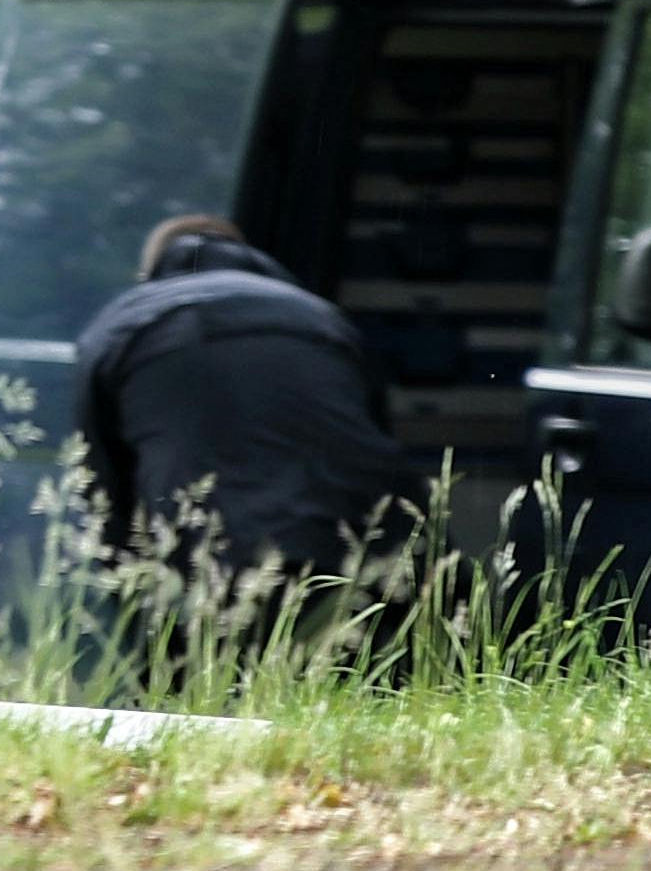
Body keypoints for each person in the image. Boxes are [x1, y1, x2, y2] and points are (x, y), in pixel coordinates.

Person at [71, 211, 426, 592]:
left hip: (212, 556)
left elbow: (101, 484)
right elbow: (377, 435)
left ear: (150, 274)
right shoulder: (321, 316)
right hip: (358, 547)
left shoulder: (125, 321)